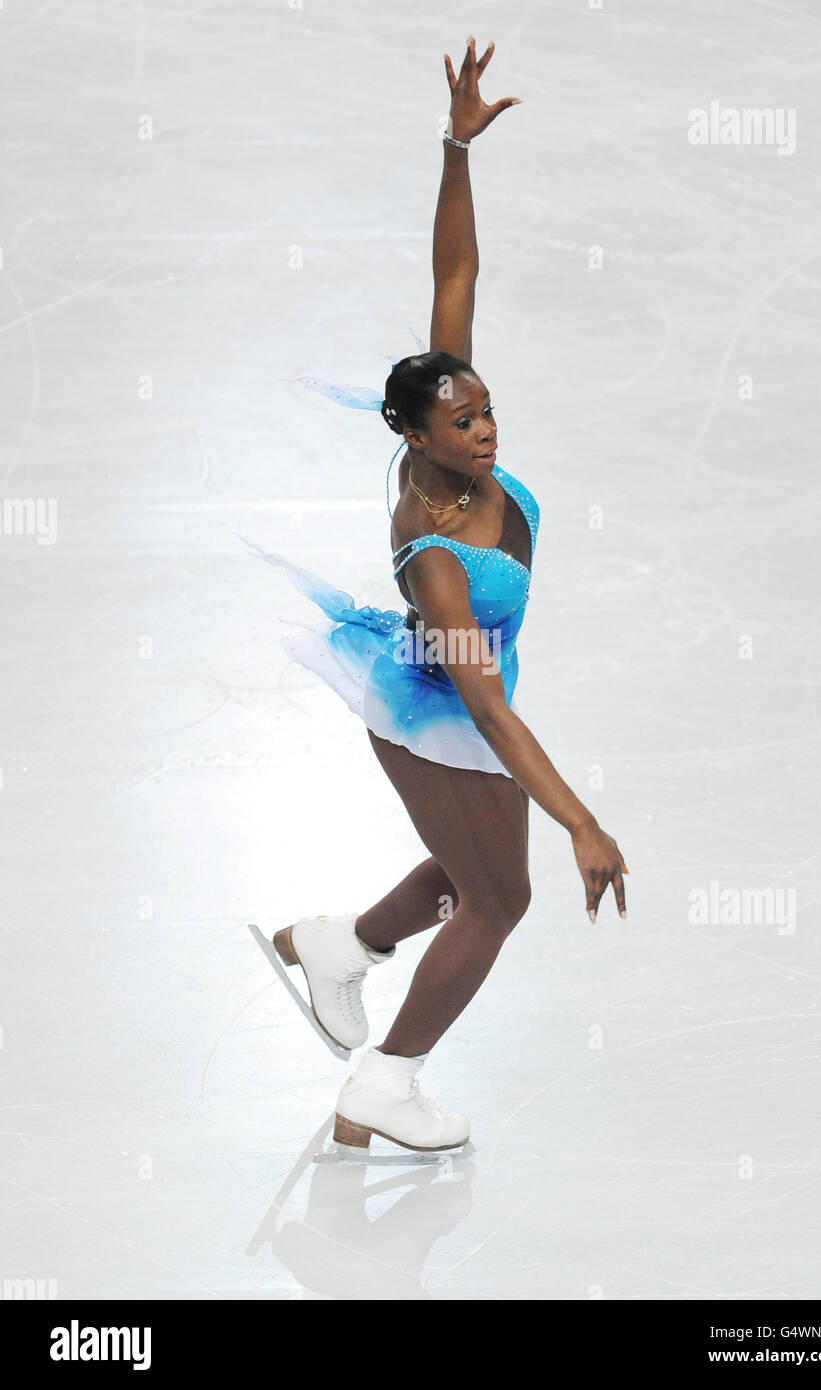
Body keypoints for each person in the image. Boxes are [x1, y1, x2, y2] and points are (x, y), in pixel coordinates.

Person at [242, 36, 628, 1154]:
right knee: (497, 896)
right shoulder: (437, 550)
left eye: (487, 409)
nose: (485, 428)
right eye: (462, 422)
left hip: (460, 696)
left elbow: (452, 275)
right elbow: (490, 713)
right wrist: (584, 820)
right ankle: (385, 1083)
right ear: (415, 436)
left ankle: (340, 946)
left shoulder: (445, 417)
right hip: (433, 712)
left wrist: (455, 148)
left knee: (476, 873)